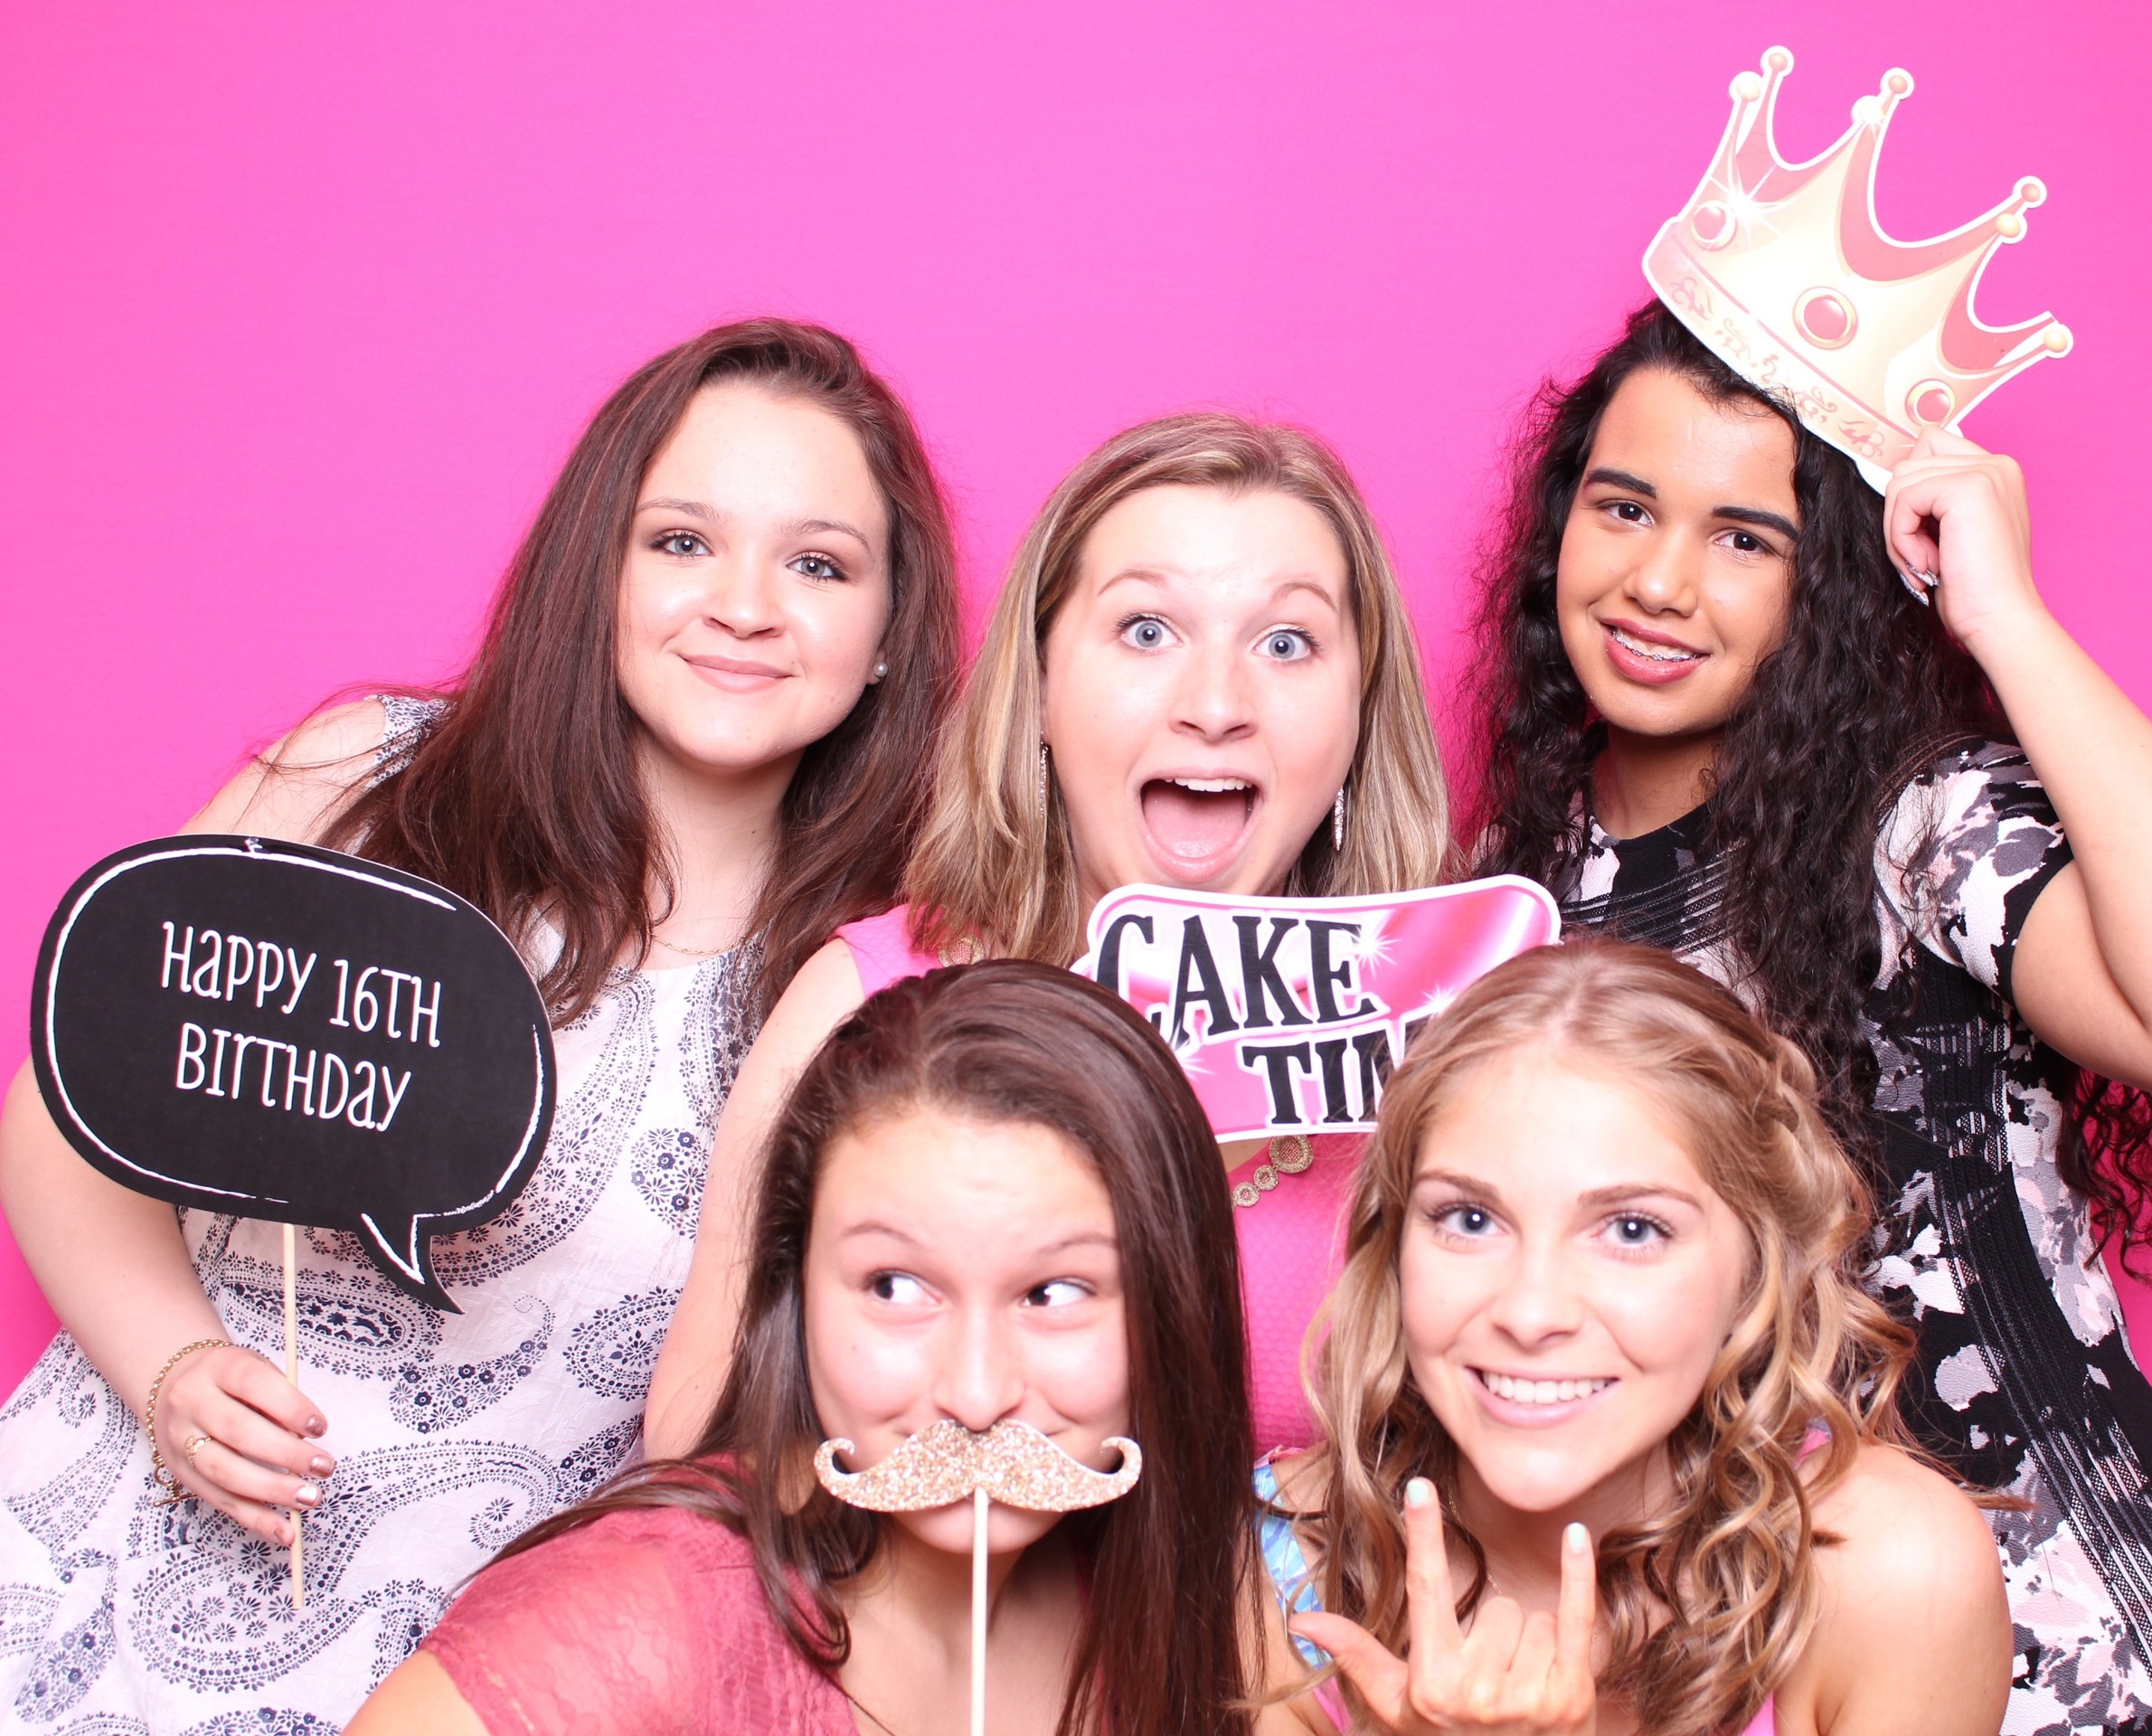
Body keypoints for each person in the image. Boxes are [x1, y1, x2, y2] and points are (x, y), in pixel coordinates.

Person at [0, 318, 961, 1730]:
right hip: (97, 1590)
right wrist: (172, 1370)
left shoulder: (879, 982)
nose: (745, 605)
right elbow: (69, 1116)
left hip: (481, 1680)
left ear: (887, 636)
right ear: (598, 570)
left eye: (818, 564)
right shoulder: (367, 787)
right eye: (681, 542)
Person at [1466, 300, 2152, 1732]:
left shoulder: (1918, 832)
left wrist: (2003, 618)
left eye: (1746, 539)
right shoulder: (1511, 899)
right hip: (1773, 1658)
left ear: (1832, 583)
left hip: (2083, 1649)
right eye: (1625, 508)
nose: (1660, 583)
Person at [649, 411, 1452, 1458]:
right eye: (1147, 631)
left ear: (1357, 713)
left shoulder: (1444, 1055)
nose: (1216, 704)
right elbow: (699, 1445)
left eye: (1286, 643)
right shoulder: (861, 1004)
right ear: (1037, 690)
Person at [345, 961, 1261, 1736]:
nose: (977, 1396)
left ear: (1173, 1306)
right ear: (797, 1290)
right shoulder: (637, 1616)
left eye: (1054, 1295)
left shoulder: (1179, 1605)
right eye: (895, 1287)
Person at [1255, 939, 2009, 1736]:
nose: (1531, 1313)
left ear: (1755, 1267)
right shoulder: (1271, 1576)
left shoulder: (1895, 1573)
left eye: (1632, 1229)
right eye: (1470, 1219)